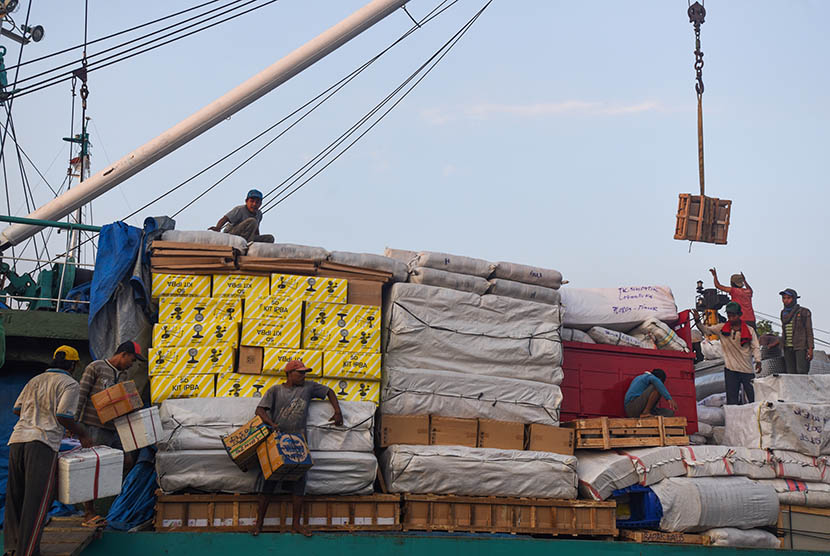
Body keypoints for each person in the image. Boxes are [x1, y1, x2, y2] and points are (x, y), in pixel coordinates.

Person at [5, 346, 93, 556]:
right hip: (41, 443)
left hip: (17, 440)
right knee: (36, 502)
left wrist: (34, 414)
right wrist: (82, 433)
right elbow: (64, 414)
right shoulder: (69, 383)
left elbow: (17, 409)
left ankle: (11, 549)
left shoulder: (34, 380)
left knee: (15, 499)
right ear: (72, 366)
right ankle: (28, 552)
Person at [252, 359, 342, 537]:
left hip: (299, 443)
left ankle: (296, 524)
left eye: (304, 373)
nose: (303, 376)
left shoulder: (308, 388)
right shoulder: (275, 391)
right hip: (277, 442)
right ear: (289, 374)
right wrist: (271, 423)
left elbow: (329, 391)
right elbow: (260, 411)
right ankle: (259, 524)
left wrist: (338, 411)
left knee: (299, 484)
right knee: (269, 483)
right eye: (300, 373)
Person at [75, 340, 145, 527]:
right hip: (93, 426)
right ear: (124, 354)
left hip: (114, 429)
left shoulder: (122, 377)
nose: (132, 364)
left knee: (127, 460)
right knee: (92, 467)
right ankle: (89, 512)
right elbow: (81, 393)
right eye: (132, 359)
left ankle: (106, 499)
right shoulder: (96, 367)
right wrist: (75, 424)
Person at [693, 304, 761, 405]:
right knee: (732, 399)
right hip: (731, 369)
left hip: (746, 369)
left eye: (734, 316)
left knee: (753, 397)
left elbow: (755, 346)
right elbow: (706, 330)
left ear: (739, 315)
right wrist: (698, 321)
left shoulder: (749, 330)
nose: (731, 318)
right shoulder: (722, 328)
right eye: (729, 316)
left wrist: (758, 360)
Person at [209, 189, 275, 243]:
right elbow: (225, 218)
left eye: (257, 202)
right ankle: (245, 244)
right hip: (232, 235)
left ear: (260, 204)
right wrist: (218, 227)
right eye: (252, 201)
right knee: (252, 221)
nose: (254, 204)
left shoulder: (259, 214)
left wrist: (257, 240)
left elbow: (256, 229)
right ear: (246, 201)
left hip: (248, 237)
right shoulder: (240, 209)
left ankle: (251, 246)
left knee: (270, 238)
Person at [779, 288, 814, 374]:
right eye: (784, 298)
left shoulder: (804, 311)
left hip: (800, 346)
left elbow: (809, 331)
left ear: (794, 299)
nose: (786, 300)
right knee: (790, 373)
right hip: (787, 347)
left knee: (801, 371)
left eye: (788, 298)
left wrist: (810, 348)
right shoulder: (783, 313)